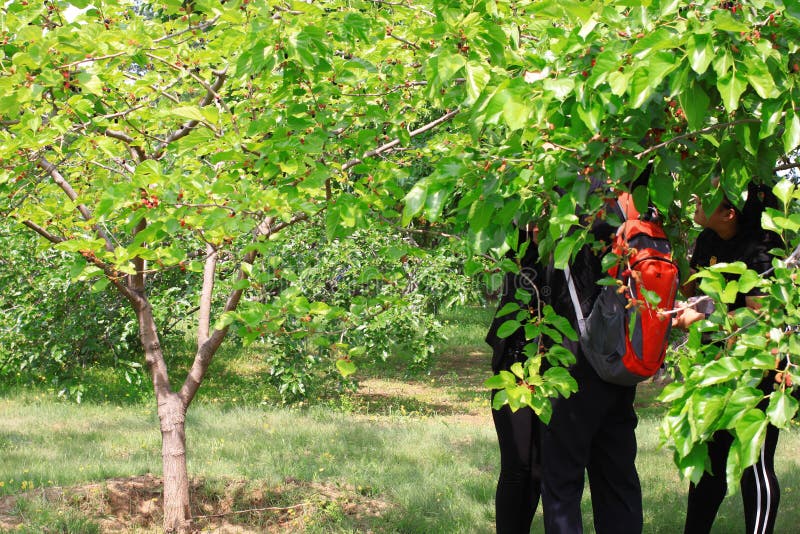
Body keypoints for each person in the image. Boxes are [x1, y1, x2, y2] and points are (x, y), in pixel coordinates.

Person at [537, 174, 650, 533]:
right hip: (618, 358)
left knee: (562, 477)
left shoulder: (587, 210)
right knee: (617, 476)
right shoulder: (642, 215)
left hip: (580, 359)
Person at [673, 181, 784, 534]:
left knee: (754, 463)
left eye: (706, 198)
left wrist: (705, 316)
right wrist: (681, 306)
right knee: (710, 461)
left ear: (728, 213)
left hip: (756, 369)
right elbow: (697, 294)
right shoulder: (707, 240)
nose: (696, 200)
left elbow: (761, 316)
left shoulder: (761, 246)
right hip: (714, 366)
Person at [485, 224, 543, 533]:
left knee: (538, 468)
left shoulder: (568, 246)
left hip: (551, 368)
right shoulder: (519, 245)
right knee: (517, 464)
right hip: (514, 362)